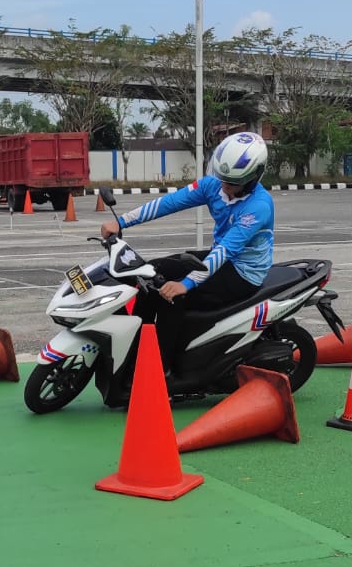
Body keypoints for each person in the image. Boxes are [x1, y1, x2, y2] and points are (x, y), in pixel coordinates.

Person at [100, 130, 275, 381]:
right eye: (222, 178)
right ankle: (137, 349)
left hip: (242, 272)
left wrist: (185, 284)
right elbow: (168, 203)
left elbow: (227, 250)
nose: (224, 186)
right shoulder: (212, 185)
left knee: (170, 297)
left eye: (232, 182)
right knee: (148, 274)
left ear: (254, 176)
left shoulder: (258, 206)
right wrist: (122, 223)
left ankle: (162, 370)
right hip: (220, 256)